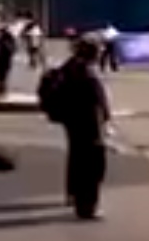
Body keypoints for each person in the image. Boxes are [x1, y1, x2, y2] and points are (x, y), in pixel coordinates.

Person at [41, 36, 112, 221]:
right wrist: (105, 125)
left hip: (73, 122)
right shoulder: (88, 73)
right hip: (88, 124)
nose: (101, 53)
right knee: (92, 166)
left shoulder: (71, 66)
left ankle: (74, 195)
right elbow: (98, 103)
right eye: (99, 50)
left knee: (77, 158)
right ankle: (87, 206)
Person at [0, 24, 18, 100]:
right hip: (3, 60)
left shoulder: (3, 39)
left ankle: (1, 91)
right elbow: (14, 49)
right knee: (2, 77)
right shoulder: (7, 39)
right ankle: (1, 91)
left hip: (4, 60)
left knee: (2, 77)